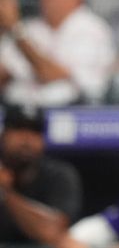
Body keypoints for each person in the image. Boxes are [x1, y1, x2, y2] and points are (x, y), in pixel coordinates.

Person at [0, 0, 116, 106]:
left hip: (77, 114)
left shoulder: (92, 29)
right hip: (19, 115)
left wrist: (15, 30)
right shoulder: (31, 28)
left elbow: (52, 75)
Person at [0, 104, 83, 245]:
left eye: (35, 131)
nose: (26, 139)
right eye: (19, 129)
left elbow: (52, 233)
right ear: (4, 135)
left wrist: (6, 192)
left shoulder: (59, 175)